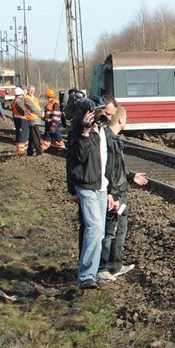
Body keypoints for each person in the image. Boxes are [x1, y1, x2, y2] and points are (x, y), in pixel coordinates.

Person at [97, 105, 148, 283]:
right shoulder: (109, 140)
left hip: (118, 190)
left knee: (120, 229)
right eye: (126, 117)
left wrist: (130, 175)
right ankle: (104, 267)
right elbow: (107, 169)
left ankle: (115, 265)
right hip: (115, 193)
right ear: (120, 120)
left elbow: (115, 168)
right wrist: (113, 194)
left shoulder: (113, 139)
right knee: (111, 231)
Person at [66, 98, 113, 289]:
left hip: (101, 186)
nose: (102, 115)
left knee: (99, 231)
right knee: (94, 228)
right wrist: (85, 131)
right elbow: (77, 157)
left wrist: (110, 190)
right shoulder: (77, 132)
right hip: (86, 185)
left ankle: (91, 273)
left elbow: (106, 161)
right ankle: (86, 276)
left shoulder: (101, 130)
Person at [24, 85, 45, 156]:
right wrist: (40, 114)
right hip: (32, 119)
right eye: (30, 90)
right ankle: (39, 151)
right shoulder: (27, 98)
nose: (32, 91)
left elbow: (38, 106)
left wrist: (42, 111)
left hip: (35, 118)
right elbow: (33, 108)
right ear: (28, 90)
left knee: (32, 136)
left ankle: (29, 151)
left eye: (33, 90)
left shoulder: (33, 98)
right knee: (36, 136)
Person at [11, 87, 28, 155]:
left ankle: (20, 149)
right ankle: (22, 150)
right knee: (23, 135)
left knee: (19, 134)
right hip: (22, 120)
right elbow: (23, 111)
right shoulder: (19, 101)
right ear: (20, 94)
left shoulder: (13, 101)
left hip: (16, 119)